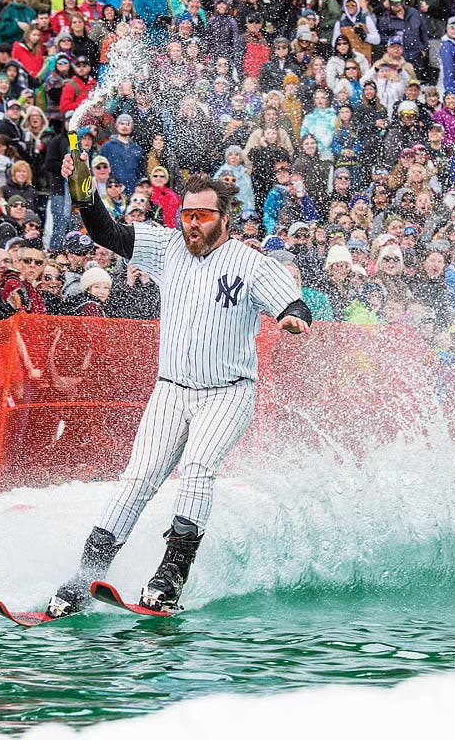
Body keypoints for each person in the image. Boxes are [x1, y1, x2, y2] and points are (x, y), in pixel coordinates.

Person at [43, 153, 312, 617]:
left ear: (224, 219)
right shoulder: (166, 246)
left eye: (203, 216)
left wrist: (292, 318)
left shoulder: (249, 263)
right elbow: (107, 233)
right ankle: (85, 575)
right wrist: (84, 194)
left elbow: (293, 302)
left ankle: (170, 574)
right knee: (138, 478)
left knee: (197, 469)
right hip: (171, 389)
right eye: (187, 215)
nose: (192, 224)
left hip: (227, 392)